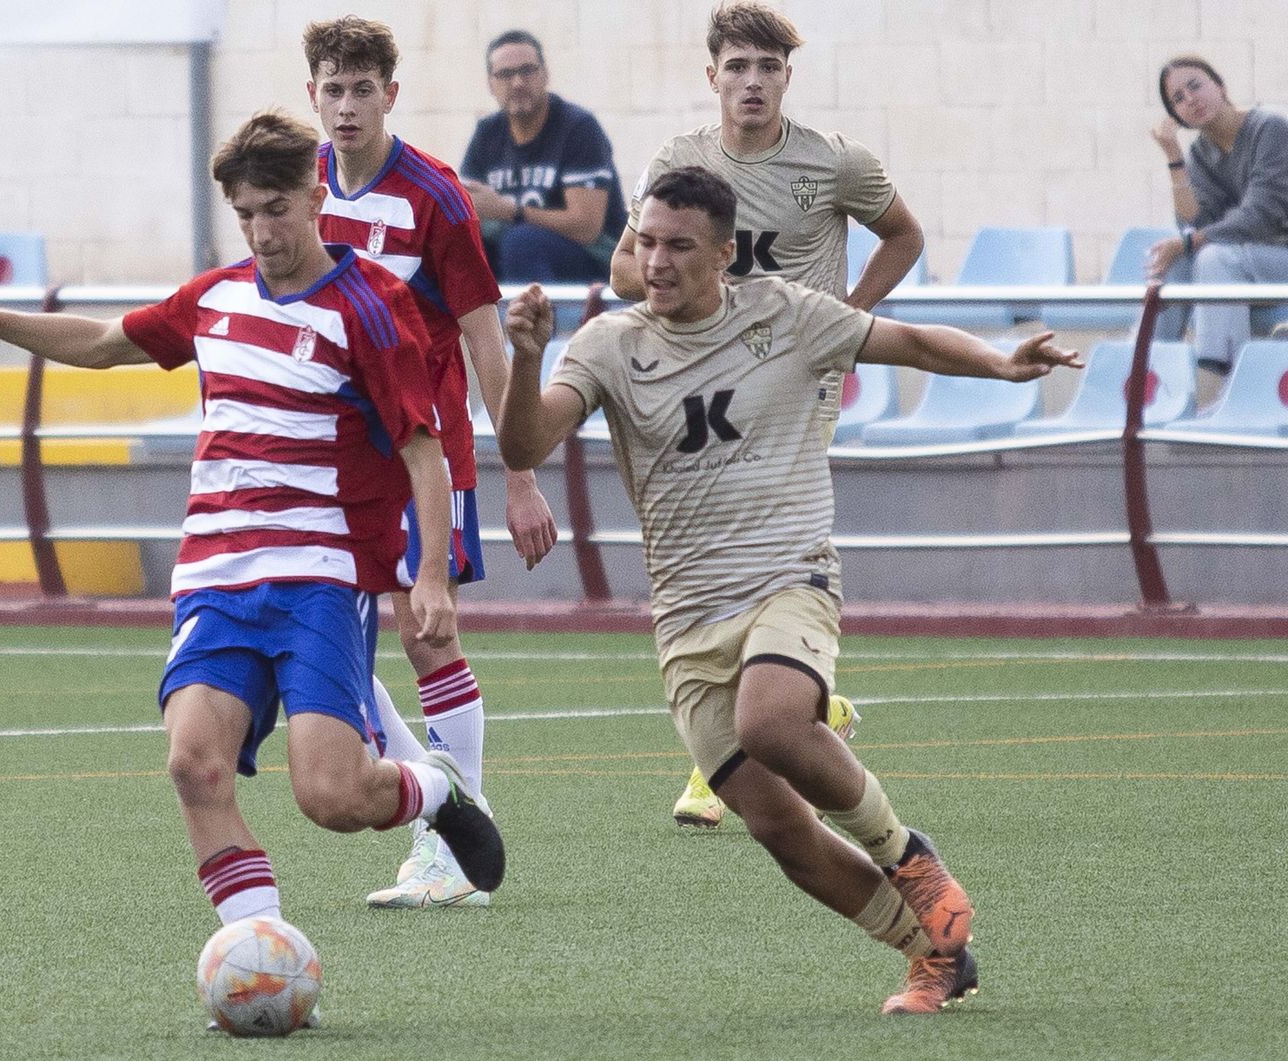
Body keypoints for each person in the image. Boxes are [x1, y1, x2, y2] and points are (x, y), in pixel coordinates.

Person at [0, 113, 506, 973]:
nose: (264, 232)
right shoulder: (216, 297)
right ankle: (264, 956)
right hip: (216, 580)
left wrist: (434, 576)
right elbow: (109, 343)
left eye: (280, 209)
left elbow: (422, 448)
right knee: (194, 765)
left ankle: (436, 786)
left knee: (332, 797)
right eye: (248, 212)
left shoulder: (371, 307)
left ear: (317, 197)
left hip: (320, 582)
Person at [499, 166, 1083, 1013]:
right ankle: (931, 956)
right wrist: (524, 358)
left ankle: (908, 854)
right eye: (645, 242)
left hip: (788, 574)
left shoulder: (784, 314)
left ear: (724, 253)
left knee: (770, 719)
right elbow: (527, 441)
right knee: (778, 828)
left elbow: (909, 342)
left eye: (678, 246)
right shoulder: (606, 344)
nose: (654, 262)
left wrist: (999, 361)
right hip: (687, 616)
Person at [609, 1, 926, 830]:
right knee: (715, 534)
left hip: (790, 385)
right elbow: (621, 268)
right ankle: (804, 699)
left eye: (769, 68)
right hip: (700, 380)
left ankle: (715, 765)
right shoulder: (678, 162)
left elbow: (903, 235)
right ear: (711, 75)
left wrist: (845, 321)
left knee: (750, 534)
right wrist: (664, 275)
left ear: (789, 77)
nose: (753, 82)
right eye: (738, 67)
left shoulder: (834, 164)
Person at [301, 16, 557, 910]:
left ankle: (450, 844)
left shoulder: (436, 196)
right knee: (319, 629)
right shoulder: (302, 186)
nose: (345, 105)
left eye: (361, 89)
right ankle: (451, 808)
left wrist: (521, 475)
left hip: (422, 450)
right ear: (312, 96)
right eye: (331, 88)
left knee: (424, 629)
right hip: (328, 456)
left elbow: (487, 340)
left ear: (390, 96)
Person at [1146, 55, 1288, 373]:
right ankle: (1143, 379)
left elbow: (1262, 215)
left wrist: (1189, 242)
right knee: (1174, 262)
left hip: (1279, 255)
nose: (1190, 99)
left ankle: (1227, 382)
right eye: (1178, 99)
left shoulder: (1269, 128)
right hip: (1255, 262)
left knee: (1213, 258)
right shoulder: (1201, 152)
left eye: (1195, 86)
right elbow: (1194, 226)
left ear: (1220, 86)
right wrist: (1174, 158)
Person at [458, 29, 626, 283]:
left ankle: (534, 322)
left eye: (527, 71)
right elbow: (468, 210)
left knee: (522, 241)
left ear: (545, 74)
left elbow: (587, 227)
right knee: (457, 248)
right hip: (517, 256)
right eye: (505, 74)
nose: (517, 83)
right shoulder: (487, 133)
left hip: (593, 262)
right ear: (490, 84)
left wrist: (509, 211)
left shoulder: (577, 128)